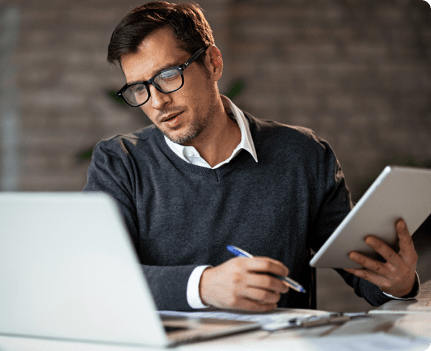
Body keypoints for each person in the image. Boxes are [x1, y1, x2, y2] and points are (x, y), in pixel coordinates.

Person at [84, 1, 419, 311]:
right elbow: (97, 276)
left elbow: (363, 273)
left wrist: (398, 284)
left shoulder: (304, 155)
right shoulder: (119, 162)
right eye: (140, 88)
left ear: (213, 63)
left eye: (168, 76)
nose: (156, 102)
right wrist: (203, 286)